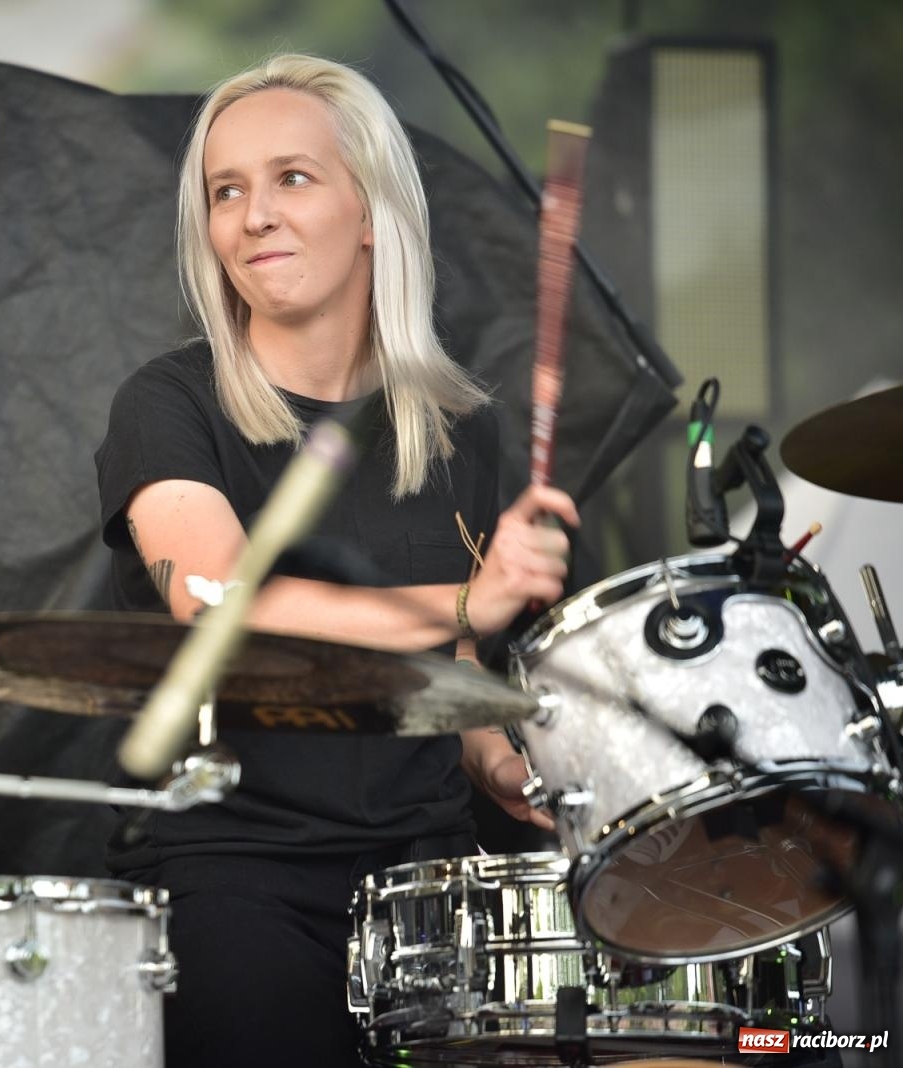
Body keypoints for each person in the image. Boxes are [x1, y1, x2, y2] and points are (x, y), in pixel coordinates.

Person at [93, 54, 579, 1067]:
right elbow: (221, 604)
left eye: (291, 178)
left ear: (371, 212)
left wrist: (505, 762)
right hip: (238, 874)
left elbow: (457, 663)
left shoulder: (457, 429)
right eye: (226, 191)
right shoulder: (168, 406)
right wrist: (471, 595)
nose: (251, 215)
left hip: (428, 878)